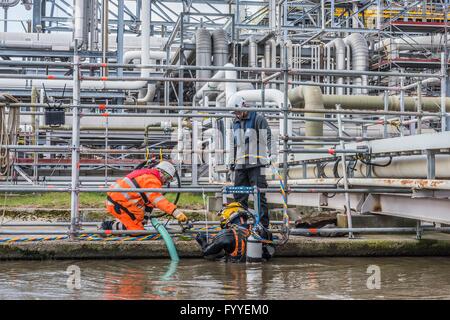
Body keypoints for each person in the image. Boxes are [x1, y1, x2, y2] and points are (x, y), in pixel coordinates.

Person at [229, 95, 276, 230]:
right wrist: (231, 160)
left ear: (244, 106)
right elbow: (234, 144)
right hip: (240, 165)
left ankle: (262, 227)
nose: (236, 115)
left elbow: (268, 137)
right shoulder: (235, 123)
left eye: (237, 111)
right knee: (238, 196)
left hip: (257, 164)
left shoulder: (257, 119)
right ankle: (240, 226)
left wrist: (273, 154)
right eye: (234, 113)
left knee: (259, 195)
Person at [101, 161, 188, 231]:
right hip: (117, 203)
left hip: (118, 202)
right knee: (136, 231)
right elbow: (158, 201)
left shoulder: (148, 175)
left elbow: (149, 203)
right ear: (161, 172)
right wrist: (176, 212)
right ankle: (107, 226)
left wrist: (144, 220)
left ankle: (118, 226)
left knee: (139, 222)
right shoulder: (152, 180)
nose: (166, 182)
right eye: (167, 178)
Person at [195, 202, 274, 262]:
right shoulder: (262, 231)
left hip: (235, 276)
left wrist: (202, 240)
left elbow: (206, 253)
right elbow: (271, 251)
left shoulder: (225, 235)